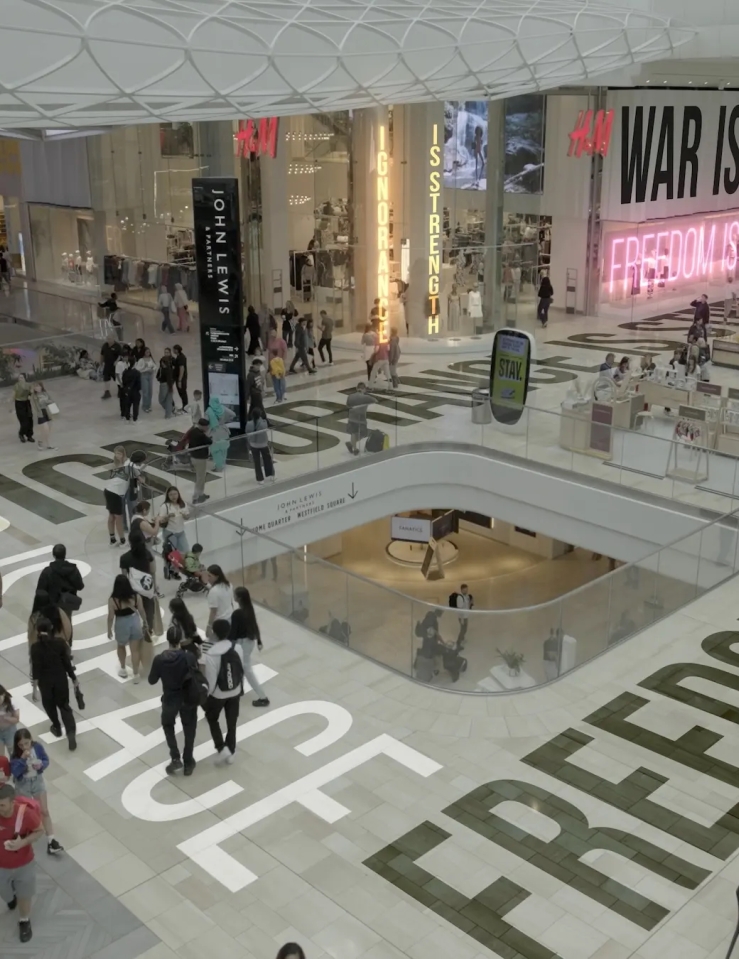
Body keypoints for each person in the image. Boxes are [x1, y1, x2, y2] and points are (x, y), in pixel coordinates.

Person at [148, 623, 199, 776]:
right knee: (189, 728)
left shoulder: (159, 659)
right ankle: (188, 761)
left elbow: (151, 680)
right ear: (180, 639)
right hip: (187, 697)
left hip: (170, 698)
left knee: (168, 724)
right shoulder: (188, 657)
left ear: (168, 639)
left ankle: (175, 757)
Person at [0, 781, 45, 942]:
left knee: (24, 894)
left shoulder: (26, 814)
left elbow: (39, 830)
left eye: (2, 805)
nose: (0, 808)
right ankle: (11, 896)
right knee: (5, 893)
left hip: (23, 863)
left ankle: (24, 920)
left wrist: (23, 843)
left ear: (12, 803)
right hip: (1, 866)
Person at [10, 729, 62, 855]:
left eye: (26, 743)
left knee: (44, 810)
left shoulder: (37, 747)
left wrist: (41, 766)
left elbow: (45, 759)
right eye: (21, 745)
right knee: (24, 812)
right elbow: (15, 773)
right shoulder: (15, 755)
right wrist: (22, 759)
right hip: (23, 785)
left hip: (37, 781)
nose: (24, 747)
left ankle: (51, 840)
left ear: (30, 740)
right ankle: (20, 838)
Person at [29, 617, 77, 749]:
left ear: (38, 631)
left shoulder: (35, 648)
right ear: (52, 629)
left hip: (45, 683)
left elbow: (36, 670)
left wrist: (34, 690)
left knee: (49, 705)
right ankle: (71, 732)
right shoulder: (60, 643)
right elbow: (67, 663)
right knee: (64, 705)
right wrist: (74, 678)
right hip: (60, 679)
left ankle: (56, 726)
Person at [203, 619, 244, 764]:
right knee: (232, 722)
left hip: (218, 694)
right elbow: (241, 669)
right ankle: (231, 751)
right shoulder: (237, 648)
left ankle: (221, 747)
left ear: (214, 633)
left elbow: (211, 680)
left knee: (212, 718)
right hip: (235, 691)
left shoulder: (211, 654)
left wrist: (207, 696)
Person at [231, 587, 270, 707]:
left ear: (239, 598)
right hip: (249, 642)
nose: (234, 596)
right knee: (242, 666)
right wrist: (259, 640)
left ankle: (263, 697)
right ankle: (240, 688)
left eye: (235, 595)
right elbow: (254, 625)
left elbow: (233, 632)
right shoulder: (249, 609)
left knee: (246, 669)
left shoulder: (237, 613)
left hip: (241, 644)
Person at [107, 573, 146, 682]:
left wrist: (109, 629)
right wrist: (145, 622)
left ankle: (123, 669)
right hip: (135, 622)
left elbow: (110, 616)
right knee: (135, 650)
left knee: (121, 646)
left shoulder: (113, 600)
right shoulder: (136, 596)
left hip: (121, 624)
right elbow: (142, 610)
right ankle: (136, 673)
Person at [119, 531, 158, 637]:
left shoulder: (124, 558)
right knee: (148, 609)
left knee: (132, 612)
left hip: (133, 589)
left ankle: (133, 631)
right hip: (147, 587)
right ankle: (149, 629)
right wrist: (154, 586)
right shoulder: (147, 554)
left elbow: (124, 577)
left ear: (130, 542)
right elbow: (153, 571)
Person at [36, 544, 84, 621]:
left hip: (52, 605)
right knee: (67, 626)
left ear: (53, 555)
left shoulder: (47, 572)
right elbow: (80, 586)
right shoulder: (73, 570)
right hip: (67, 603)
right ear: (65, 554)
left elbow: (40, 590)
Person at [103, 446, 137, 546]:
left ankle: (115, 539)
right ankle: (121, 540)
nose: (117, 456)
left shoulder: (128, 463)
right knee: (116, 517)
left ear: (123, 453)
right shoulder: (116, 463)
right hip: (113, 492)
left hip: (117, 492)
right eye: (116, 454)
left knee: (114, 516)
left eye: (119, 453)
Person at [245, 406, 275, 483]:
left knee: (257, 462)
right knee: (267, 459)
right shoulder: (263, 423)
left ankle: (260, 479)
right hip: (263, 444)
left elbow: (247, 433)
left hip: (253, 445)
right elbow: (267, 426)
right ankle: (271, 475)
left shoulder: (248, 424)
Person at [205, 566, 233, 648]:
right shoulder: (229, 585)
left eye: (210, 576)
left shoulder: (214, 591)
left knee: (215, 643)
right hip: (230, 617)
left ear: (217, 576)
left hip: (220, 622)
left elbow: (213, 611)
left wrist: (209, 626)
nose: (207, 578)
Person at [206, 396, 234, 471]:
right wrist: (225, 420)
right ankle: (222, 464)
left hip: (214, 432)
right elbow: (233, 414)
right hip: (224, 430)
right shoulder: (222, 408)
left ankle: (218, 467)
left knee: (215, 450)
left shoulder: (209, 411)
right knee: (224, 449)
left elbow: (205, 422)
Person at [159, 486, 190, 553]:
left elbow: (187, 517)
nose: (173, 496)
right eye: (171, 495)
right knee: (172, 553)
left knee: (186, 551)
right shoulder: (165, 506)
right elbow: (161, 520)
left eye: (175, 494)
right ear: (168, 496)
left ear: (178, 494)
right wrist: (168, 516)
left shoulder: (183, 504)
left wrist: (184, 515)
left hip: (181, 531)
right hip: (170, 532)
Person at [189, 418, 212, 504]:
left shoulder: (193, 431)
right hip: (200, 458)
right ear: (202, 426)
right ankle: (196, 496)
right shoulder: (201, 435)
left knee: (201, 477)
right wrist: (207, 435)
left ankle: (200, 493)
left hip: (194, 456)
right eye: (206, 427)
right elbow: (210, 441)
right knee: (200, 478)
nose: (207, 428)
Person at [345, 382, 372, 456]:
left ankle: (354, 447)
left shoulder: (350, 396)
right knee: (363, 434)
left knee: (353, 433)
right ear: (364, 389)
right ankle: (353, 446)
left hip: (351, 418)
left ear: (357, 388)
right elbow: (376, 401)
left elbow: (348, 405)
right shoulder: (366, 397)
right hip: (361, 419)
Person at [29, 381, 55, 450]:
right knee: (45, 429)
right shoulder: (33, 396)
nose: (37, 388)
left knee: (48, 430)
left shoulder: (45, 393)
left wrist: (46, 401)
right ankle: (40, 442)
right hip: (40, 412)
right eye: (35, 386)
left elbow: (51, 400)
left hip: (48, 411)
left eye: (38, 386)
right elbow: (34, 406)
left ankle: (48, 444)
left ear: (41, 386)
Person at [11, 373, 34, 444]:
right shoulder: (16, 386)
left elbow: (32, 391)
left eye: (22, 377)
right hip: (19, 404)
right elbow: (13, 395)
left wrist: (30, 395)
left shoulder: (28, 385)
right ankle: (21, 434)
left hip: (27, 403)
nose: (20, 379)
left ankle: (29, 435)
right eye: (19, 378)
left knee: (30, 420)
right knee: (24, 421)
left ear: (25, 378)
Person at [100, 331, 121, 399]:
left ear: (113, 338)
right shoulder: (105, 345)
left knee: (117, 378)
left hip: (115, 365)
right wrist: (101, 362)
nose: (108, 340)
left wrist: (116, 361)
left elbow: (120, 355)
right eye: (107, 338)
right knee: (106, 378)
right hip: (107, 365)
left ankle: (120, 391)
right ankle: (107, 392)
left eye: (110, 338)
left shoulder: (117, 346)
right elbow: (102, 354)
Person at [120, 356, 142, 422]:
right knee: (136, 405)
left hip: (127, 391)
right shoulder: (137, 373)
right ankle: (135, 418)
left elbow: (123, 382)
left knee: (127, 405)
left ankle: (127, 417)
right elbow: (139, 384)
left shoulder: (125, 372)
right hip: (135, 391)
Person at [135, 347, 156, 413]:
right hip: (144, 376)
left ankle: (149, 405)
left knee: (150, 391)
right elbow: (138, 369)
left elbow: (155, 366)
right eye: (147, 352)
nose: (148, 353)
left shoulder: (151, 359)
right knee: (145, 391)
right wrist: (145, 369)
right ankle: (145, 406)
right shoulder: (141, 360)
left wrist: (152, 369)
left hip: (150, 376)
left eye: (149, 352)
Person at [157, 348, 176, 419]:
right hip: (170, 385)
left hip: (164, 385)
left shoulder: (165, 370)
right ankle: (168, 414)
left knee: (161, 399)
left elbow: (160, 377)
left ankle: (170, 410)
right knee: (168, 399)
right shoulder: (168, 369)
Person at [0, 686, 19, 757]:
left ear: (3, 694)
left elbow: (16, 720)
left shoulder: (12, 702)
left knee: (13, 752)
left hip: (10, 731)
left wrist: (5, 717)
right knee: (1, 756)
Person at [173, 344, 188, 411]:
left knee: (182, 392)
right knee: (182, 393)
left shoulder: (181, 358)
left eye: (174, 349)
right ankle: (184, 406)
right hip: (180, 378)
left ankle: (185, 407)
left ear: (177, 350)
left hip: (181, 378)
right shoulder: (179, 357)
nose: (173, 351)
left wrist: (179, 380)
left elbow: (182, 368)